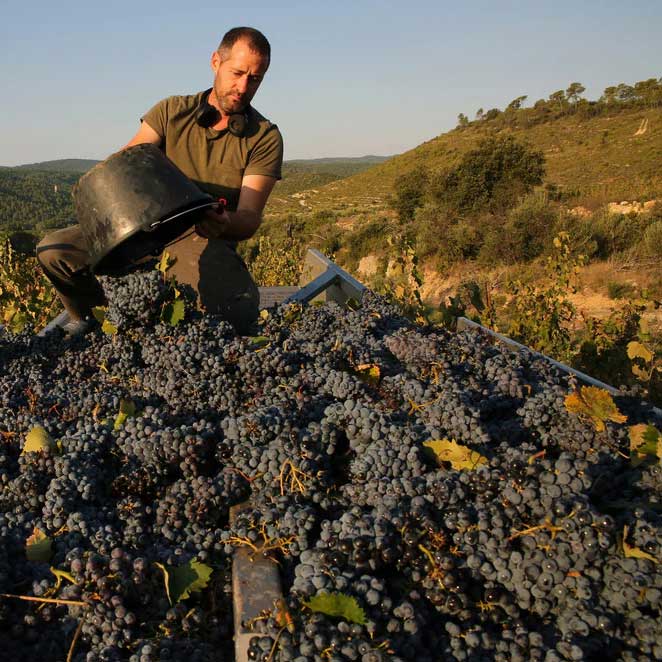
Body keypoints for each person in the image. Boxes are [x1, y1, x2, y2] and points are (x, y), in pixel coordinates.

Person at [36, 26, 283, 335]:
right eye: (237, 73)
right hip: (142, 228)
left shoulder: (265, 136)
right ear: (215, 62)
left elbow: (248, 219)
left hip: (201, 236)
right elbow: (126, 163)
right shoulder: (171, 111)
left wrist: (225, 222)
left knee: (233, 314)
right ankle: (98, 320)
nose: (243, 87)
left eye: (255, 79)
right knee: (53, 252)